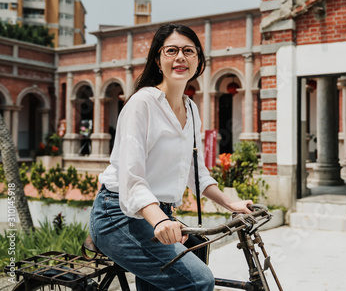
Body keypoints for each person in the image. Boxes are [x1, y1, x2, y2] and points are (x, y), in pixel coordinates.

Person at [90, 23, 253, 291]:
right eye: (172, 50)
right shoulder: (142, 104)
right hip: (118, 216)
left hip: (158, 215)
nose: (180, 57)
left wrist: (230, 204)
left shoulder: (191, 109)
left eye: (188, 51)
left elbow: (196, 172)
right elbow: (131, 178)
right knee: (199, 280)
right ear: (158, 59)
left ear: (198, 59)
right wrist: (161, 220)